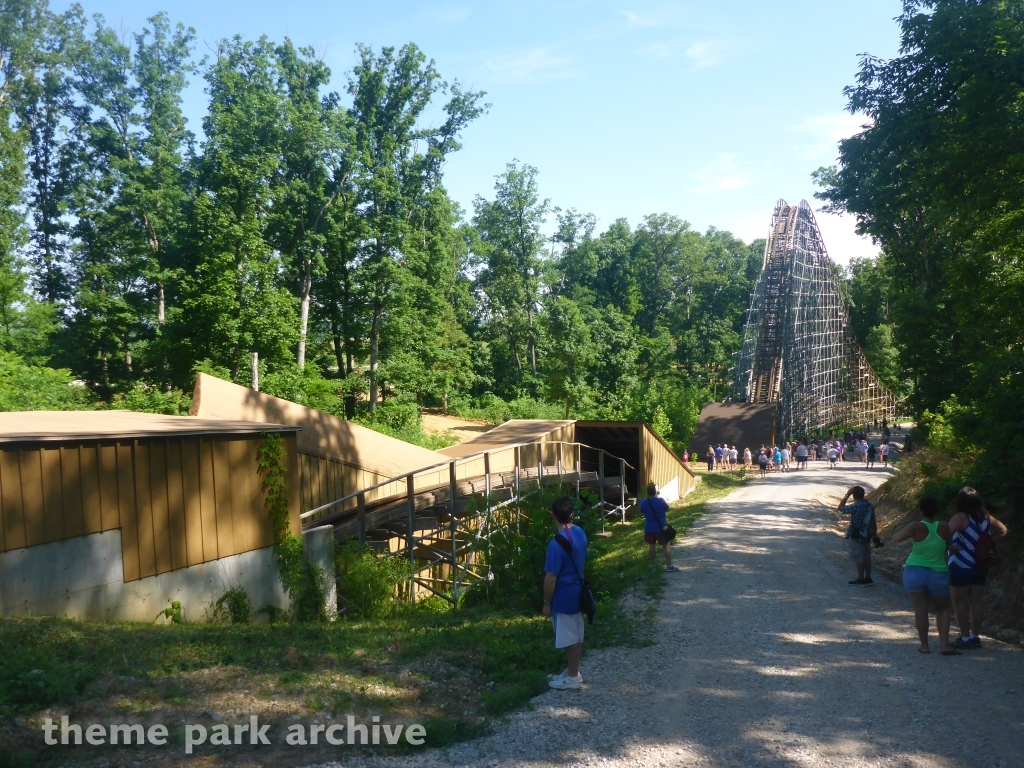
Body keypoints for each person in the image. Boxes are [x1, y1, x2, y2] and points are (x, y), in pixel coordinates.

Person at [892, 497, 959, 655]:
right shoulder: (944, 527)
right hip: (938, 573)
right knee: (942, 609)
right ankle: (944, 645)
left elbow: (896, 538)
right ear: (936, 510)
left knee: (920, 609)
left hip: (915, 572)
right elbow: (950, 547)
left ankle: (924, 645)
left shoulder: (915, 526)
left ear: (920, 510)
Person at [947, 487, 1008, 649]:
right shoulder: (986, 517)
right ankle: (975, 636)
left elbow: (944, 534)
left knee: (959, 601)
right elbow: (1003, 530)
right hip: (981, 565)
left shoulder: (959, 518)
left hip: (960, 564)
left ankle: (965, 638)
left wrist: (951, 547)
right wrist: (987, 540)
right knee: (976, 602)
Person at [543, 496, 589, 690]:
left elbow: (550, 578)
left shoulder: (555, 545)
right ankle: (573, 670)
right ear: (572, 514)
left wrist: (547, 602)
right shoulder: (579, 532)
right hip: (579, 591)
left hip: (563, 595)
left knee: (569, 638)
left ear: (552, 515)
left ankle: (572, 678)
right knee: (576, 635)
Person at [839, 486, 875, 586]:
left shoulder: (856, 506)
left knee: (859, 557)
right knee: (867, 557)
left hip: (857, 535)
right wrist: (875, 535)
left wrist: (847, 495)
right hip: (867, 534)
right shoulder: (870, 506)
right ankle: (868, 578)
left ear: (854, 495)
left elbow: (841, 508)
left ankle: (861, 579)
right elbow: (873, 522)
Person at [641, 483, 677, 571]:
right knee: (666, 545)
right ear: (655, 492)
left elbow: (642, 511)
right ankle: (669, 566)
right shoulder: (660, 501)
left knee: (652, 546)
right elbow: (667, 508)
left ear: (647, 493)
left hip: (649, 528)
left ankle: (654, 566)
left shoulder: (643, 502)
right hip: (661, 528)